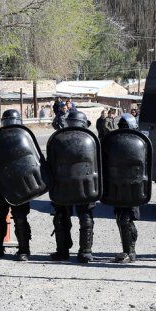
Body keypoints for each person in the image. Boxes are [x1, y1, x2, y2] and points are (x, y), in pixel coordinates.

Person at [0, 110, 33, 261]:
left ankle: (20, 250)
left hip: (12, 184)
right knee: (4, 216)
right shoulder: (3, 138)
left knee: (14, 216)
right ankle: (4, 249)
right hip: (8, 185)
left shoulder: (19, 137)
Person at [50, 110, 97, 263]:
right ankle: (83, 252)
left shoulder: (59, 138)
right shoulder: (90, 139)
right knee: (83, 217)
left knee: (64, 217)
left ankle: (68, 251)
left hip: (65, 185)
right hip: (85, 185)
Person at [111, 113, 143, 263]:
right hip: (118, 184)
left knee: (125, 218)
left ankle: (130, 252)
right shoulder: (113, 142)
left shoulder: (139, 142)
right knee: (121, 218)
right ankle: (128, 249)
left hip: (133, 185)